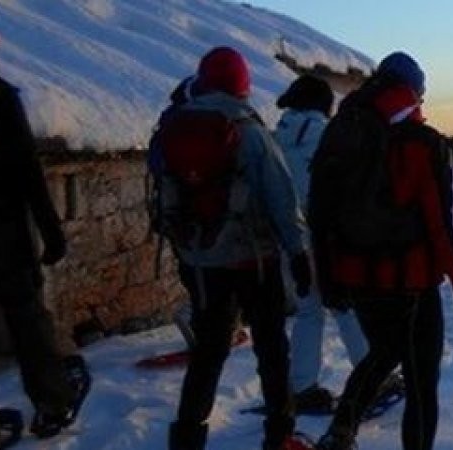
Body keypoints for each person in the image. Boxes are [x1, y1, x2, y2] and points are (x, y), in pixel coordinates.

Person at [309, 51, 453, 450]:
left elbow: (319, 211)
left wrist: (328, 277)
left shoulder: (340, 133)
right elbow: (446, 227)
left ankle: (341, 429)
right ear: (415, 95)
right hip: (412, 284)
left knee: (385, 351)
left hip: (354, 277)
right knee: (422, 381)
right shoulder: (424, 144)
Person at [155, 46, 311, 450]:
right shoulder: (250, 130)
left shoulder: (172, 127)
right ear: (243, 85)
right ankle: (281, 434)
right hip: (254, 259)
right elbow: (280, 196)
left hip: (201, 259)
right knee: (271, 349)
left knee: (208, 351)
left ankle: (187, 437)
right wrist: (298, 253)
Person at [0, 24, 90, 441]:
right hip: (2, 230)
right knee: (27, 318)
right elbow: (28, 169)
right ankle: (54, 403)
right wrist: (52, 230)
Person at [272, 74, 369, 411]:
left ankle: (302, 386)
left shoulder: (275, 137)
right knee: (344, 304)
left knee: (308, 312)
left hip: (288, 239)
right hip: (325, 235)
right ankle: (371, 375)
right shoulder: (328, 135)